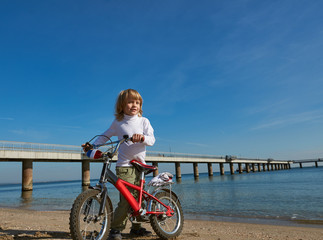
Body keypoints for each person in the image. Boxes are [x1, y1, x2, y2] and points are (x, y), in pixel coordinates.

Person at [83, 89, 155, 240]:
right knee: (126, 199)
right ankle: (115, 229)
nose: (134, 105)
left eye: (137, 102)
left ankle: (136, 228)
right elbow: (105, 136)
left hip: (140, 165)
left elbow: (152, 140)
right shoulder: (118, 122)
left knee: (137, 199)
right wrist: (92, 146)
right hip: (124, 165)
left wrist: (141, 138)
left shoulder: (144, 121)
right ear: (121, 105)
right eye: (130, 102)